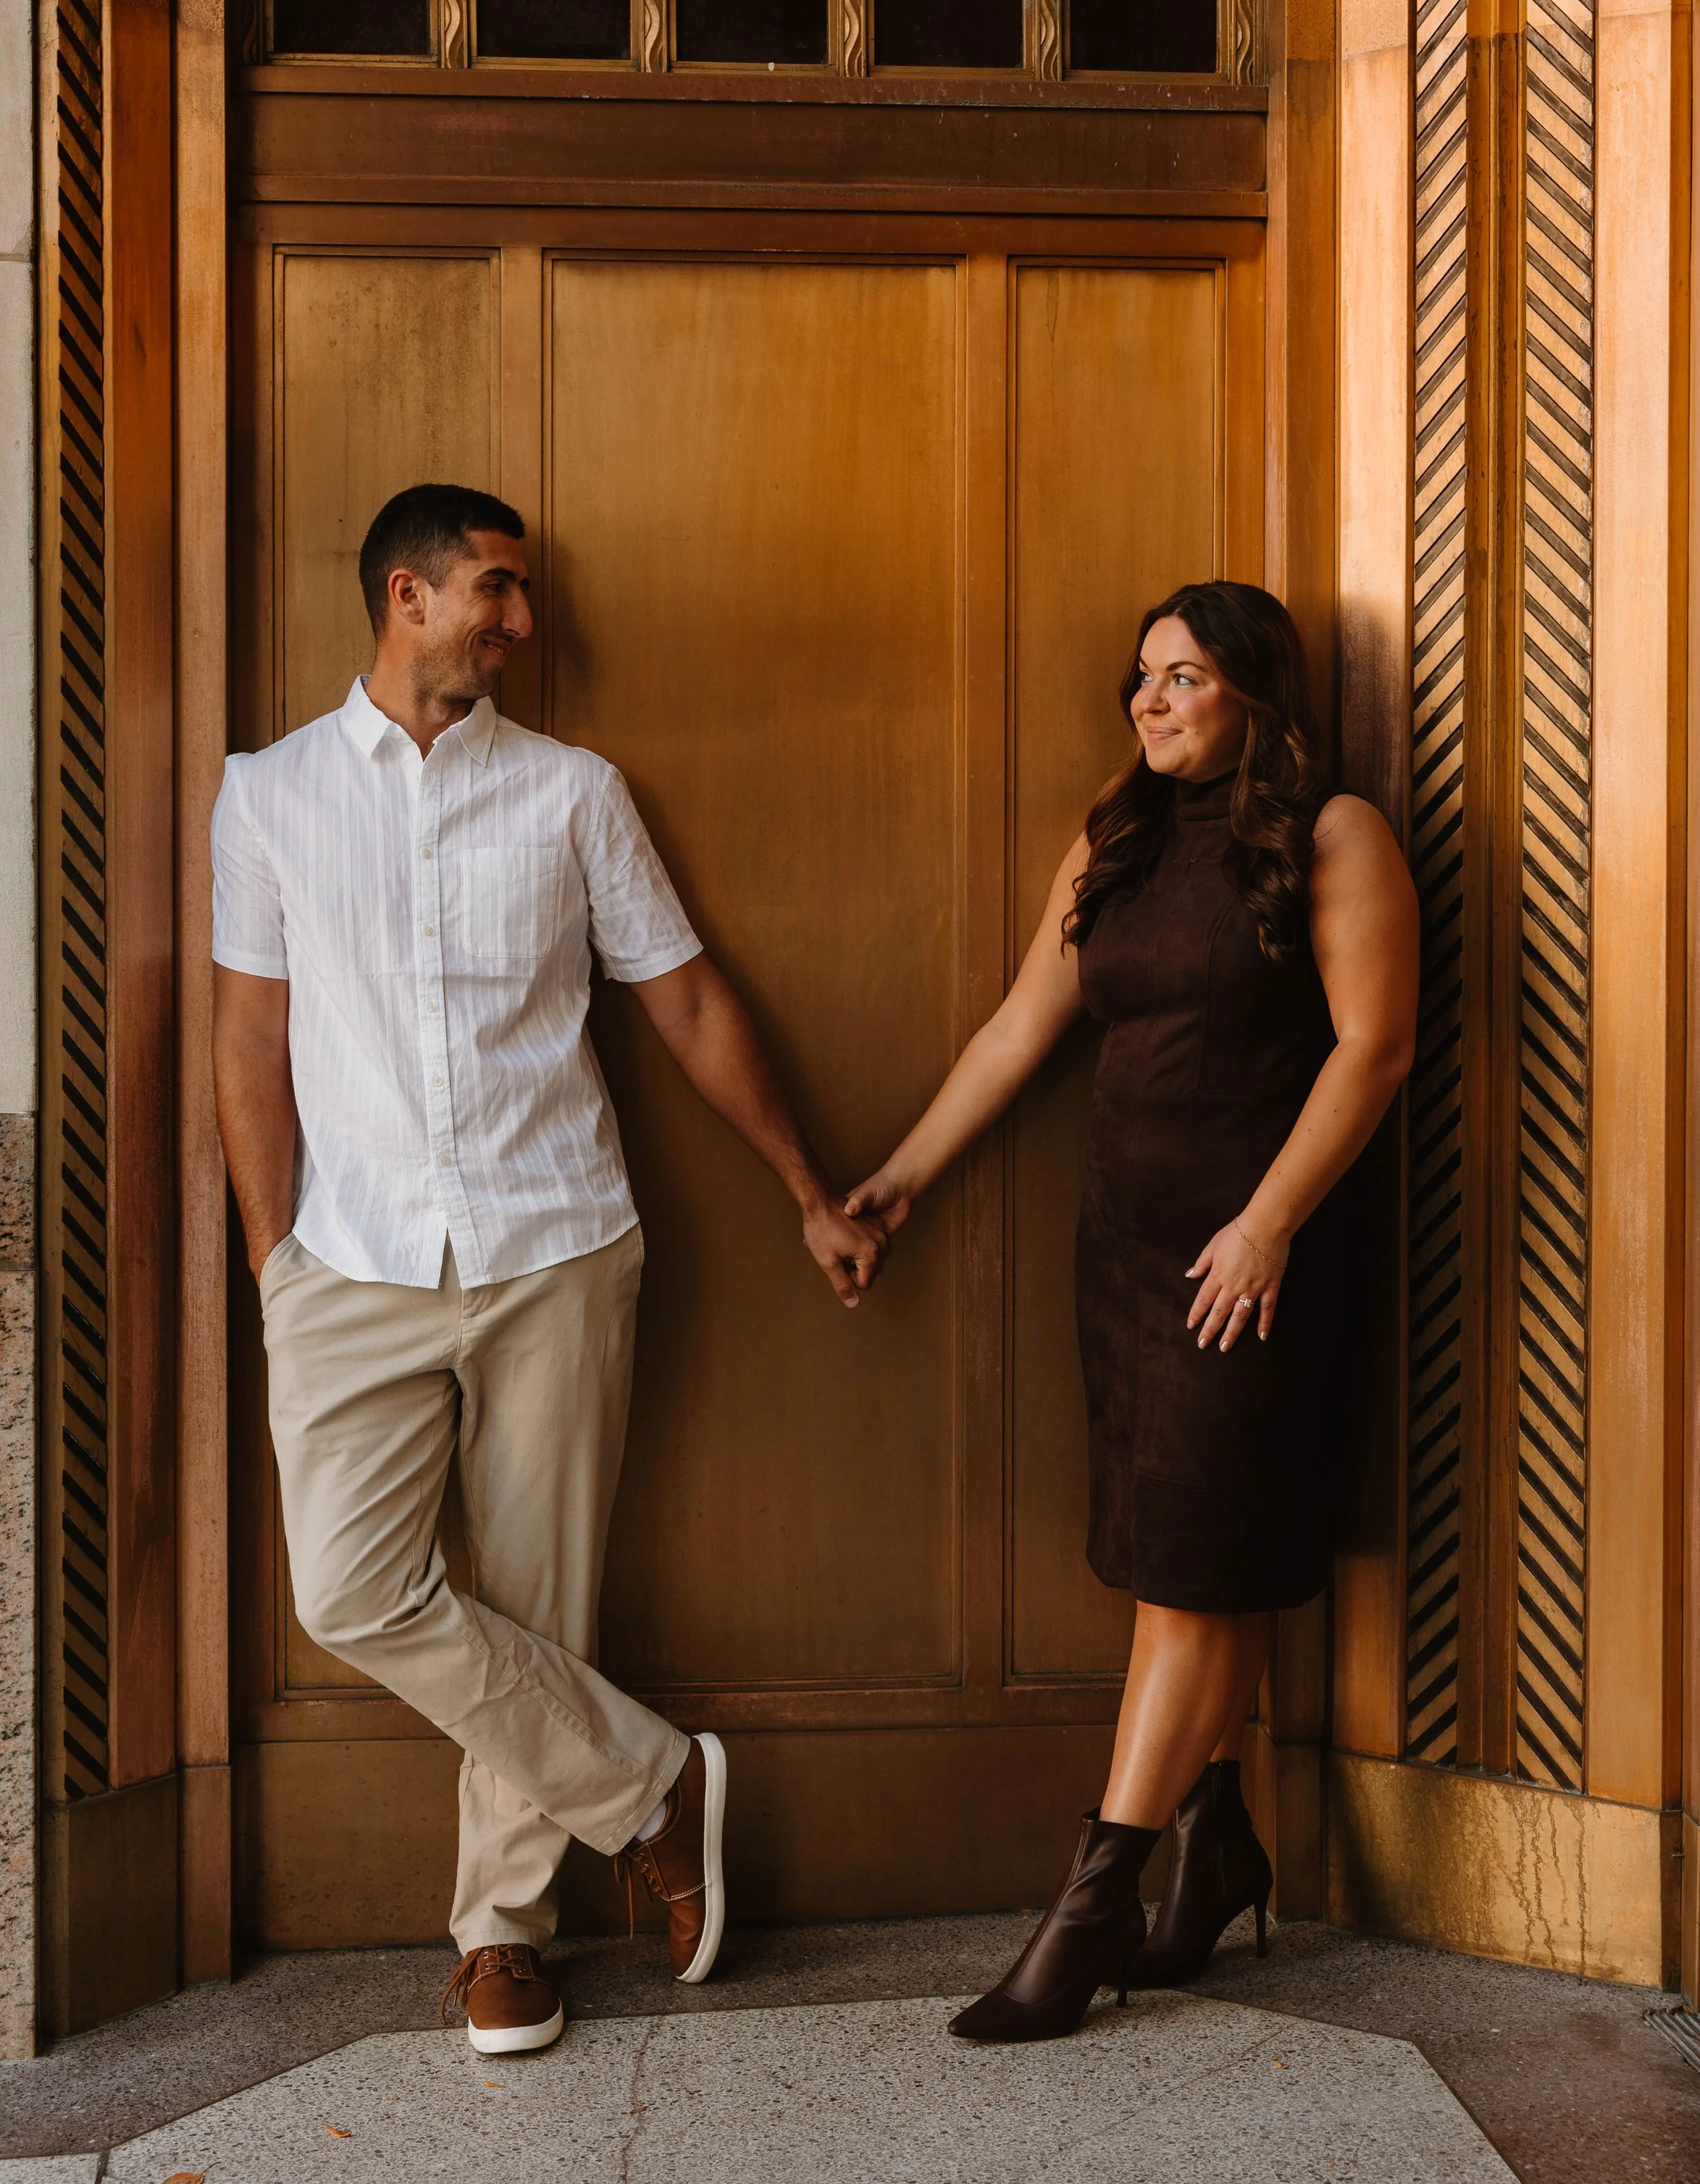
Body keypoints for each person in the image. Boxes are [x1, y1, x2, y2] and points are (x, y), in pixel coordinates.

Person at [211, 483, 887, 2059]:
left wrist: (805, 1189)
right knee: (352, 1591)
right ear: (407, 594)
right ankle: (652, 1788)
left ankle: (500, 1938)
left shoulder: (575, 793)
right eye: (498, 591)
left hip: (558, 1240)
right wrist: (274, 1260)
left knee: (537, 1600)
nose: (523, 621)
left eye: (519, 595)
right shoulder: (270, 795)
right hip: (350, 1259)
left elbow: (688, 1003)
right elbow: (248, 1032)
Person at [847, 580, 1418, 2043]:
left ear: (1253, 696)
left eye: (1180, 679)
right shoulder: (1115, 840)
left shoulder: (1334, 835)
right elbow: (1017, 1029)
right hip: (1125, 1258)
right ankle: (1212, 1843)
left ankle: (1088, 1907)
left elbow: (1371, 1049)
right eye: (1138, 678)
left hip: (1255, 1260)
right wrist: (899, 1180)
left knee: (1192, 1582)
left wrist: (1268, 1223)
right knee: (1180, 1565)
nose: (1146, 703)